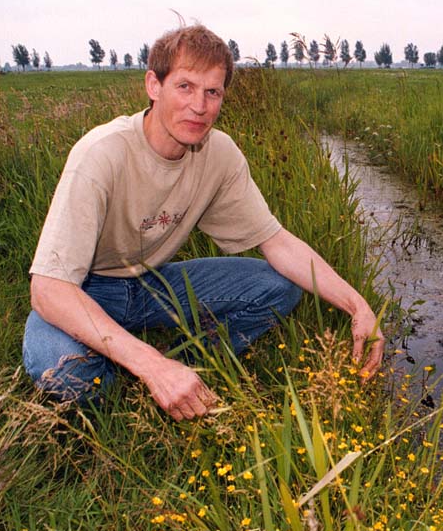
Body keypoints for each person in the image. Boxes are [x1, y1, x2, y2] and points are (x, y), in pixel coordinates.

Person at [22, 24, 383, 421]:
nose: (200, 105)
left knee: (281, 287)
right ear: (153, 85)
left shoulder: (220, 153)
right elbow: (48, 289)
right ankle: (142, 371)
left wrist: (357, 305)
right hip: (86, 290)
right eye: (185, 87)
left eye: (213, 92)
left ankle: (190, 365)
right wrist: (149, 364)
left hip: (152, 284)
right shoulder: (101, 154)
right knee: (67, 375)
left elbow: (276, 242)